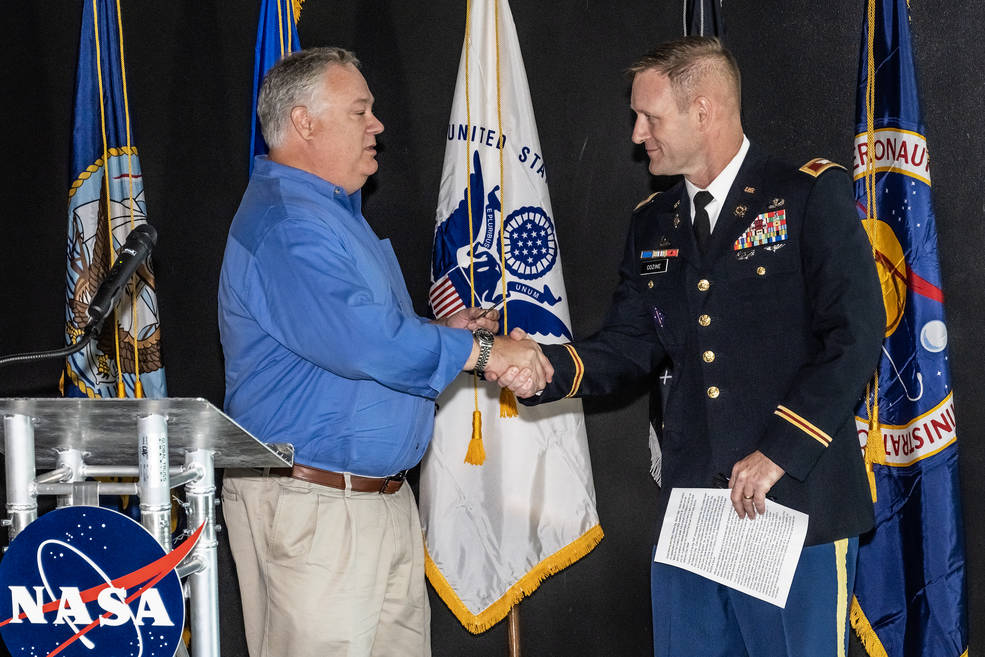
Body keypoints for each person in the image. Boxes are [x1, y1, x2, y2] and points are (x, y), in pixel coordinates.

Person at [500, 36, 885, 657]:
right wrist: (543, 365)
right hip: (694, 511)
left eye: (650, 116)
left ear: (703, 110)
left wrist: (779, 452)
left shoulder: (806, 194)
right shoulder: (653, 222)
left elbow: (856, 334)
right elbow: (629, 345)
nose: (635, 133)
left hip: (791, 503)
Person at [217, 47, 551, 657]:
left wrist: (446, 332)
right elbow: (363, 342)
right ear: (304, 123)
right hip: (318, 508)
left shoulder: (334, 216)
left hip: (373, 503)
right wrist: (481, 351)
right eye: (360, 111)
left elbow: (362, 338)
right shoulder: (288, 223)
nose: (378, 126)